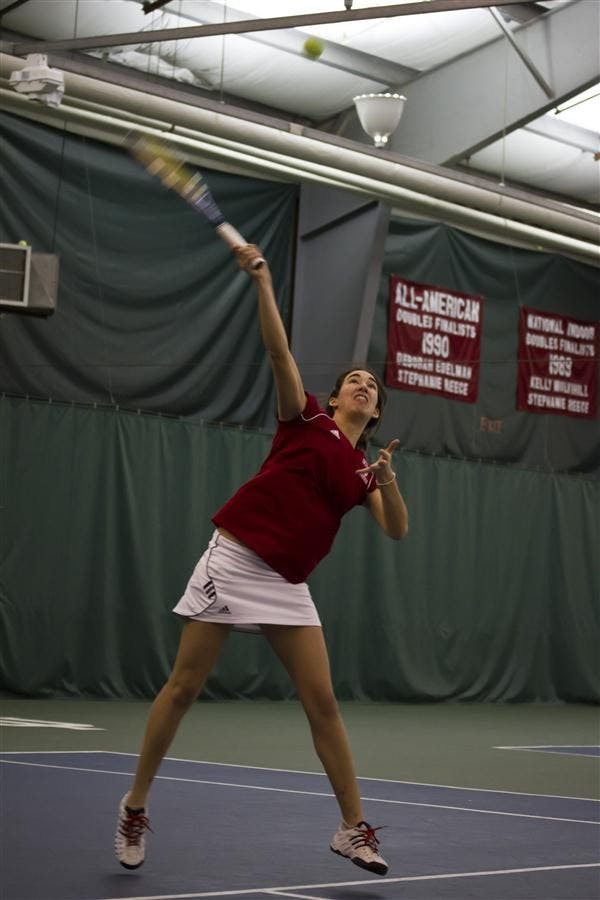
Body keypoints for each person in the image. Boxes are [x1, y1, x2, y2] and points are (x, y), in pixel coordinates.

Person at [114, 244, 409, 877]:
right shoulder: (304, 422)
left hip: (286, 584)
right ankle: (135, 804)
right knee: (185, 686)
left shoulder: (362, 473)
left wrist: (386, 480)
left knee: (323, 704)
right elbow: (278, 353)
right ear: (333, 400)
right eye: (355, 379)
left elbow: (397, 531)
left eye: (373, 386)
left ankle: (352, 829)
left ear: (376, 412)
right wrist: (263, 284)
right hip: (236, 560)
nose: (364, 384)